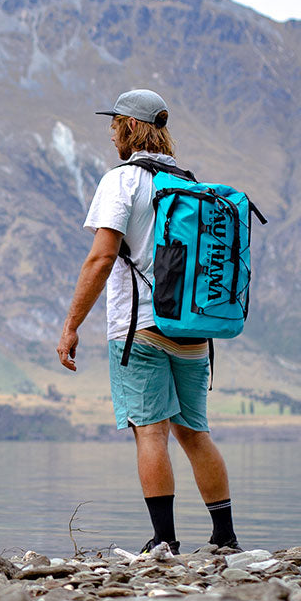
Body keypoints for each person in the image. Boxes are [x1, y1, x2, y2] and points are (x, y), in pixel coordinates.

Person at [55, 89, 240, 555]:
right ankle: (225, 536)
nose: (112, 132)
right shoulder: (190, 184)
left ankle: (164, 539)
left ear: (132, 129)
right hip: (193, 327)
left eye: (116, 124)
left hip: (141, 328)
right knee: (195, 433)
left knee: (150, 430)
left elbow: (101, 258)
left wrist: (71, 324)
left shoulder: (124, 182)